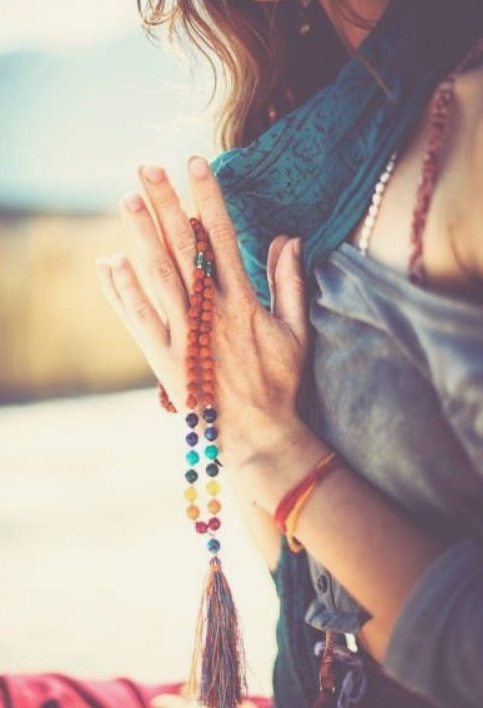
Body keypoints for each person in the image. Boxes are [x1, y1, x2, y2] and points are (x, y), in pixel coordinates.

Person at [2, 1, 483, 707]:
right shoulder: (299, 153)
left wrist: (273, 450)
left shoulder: (467, 136)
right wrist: (232, 415)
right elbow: (311, 602)